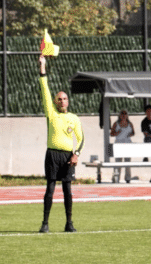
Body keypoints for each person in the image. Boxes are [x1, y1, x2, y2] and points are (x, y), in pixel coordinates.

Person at [38, 54, 84, 233]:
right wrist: (43, 67)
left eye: (65, 99)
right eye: (59, 99)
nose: (62, 101)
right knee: (50, 189)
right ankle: (45, 223)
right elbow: (44, 88)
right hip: (52, 155)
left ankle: (69, 223)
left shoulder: (74, 118)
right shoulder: (51, 113)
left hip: (67, 157)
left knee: (67, 190)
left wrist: (76, 154)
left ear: (68, 101)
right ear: (55, 102)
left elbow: (81, 139)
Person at [110, 109, 135, 183]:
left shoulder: (130, 124)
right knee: (118, 162)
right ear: (120, 115)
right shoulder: (116, 124)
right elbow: (111, 134)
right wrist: (117, 133)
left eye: (125, 113)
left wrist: (130, 134)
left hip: (127, 144)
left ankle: (128, 178)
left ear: (127, 115)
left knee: (127, 162)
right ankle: (116, 178)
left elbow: (133, 132)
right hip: (118, 144)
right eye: (122, 113)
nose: (124, 115)